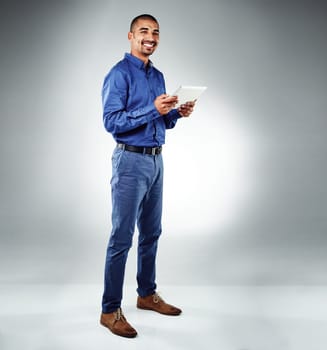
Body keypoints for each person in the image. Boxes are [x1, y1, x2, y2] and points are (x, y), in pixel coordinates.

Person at [100, 14, 195, 338]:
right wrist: (154, 108)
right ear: (130, 36)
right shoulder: (118, 74)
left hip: (156, 161)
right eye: (144, 31)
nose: (150, 37)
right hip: (129, 161)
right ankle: (110, 310)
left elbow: (162, 121)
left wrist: (176, 114)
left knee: (152, 232)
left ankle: (146, 294)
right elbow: (112, 122)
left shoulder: (159, 75)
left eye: (155, 32)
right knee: (122, 237)